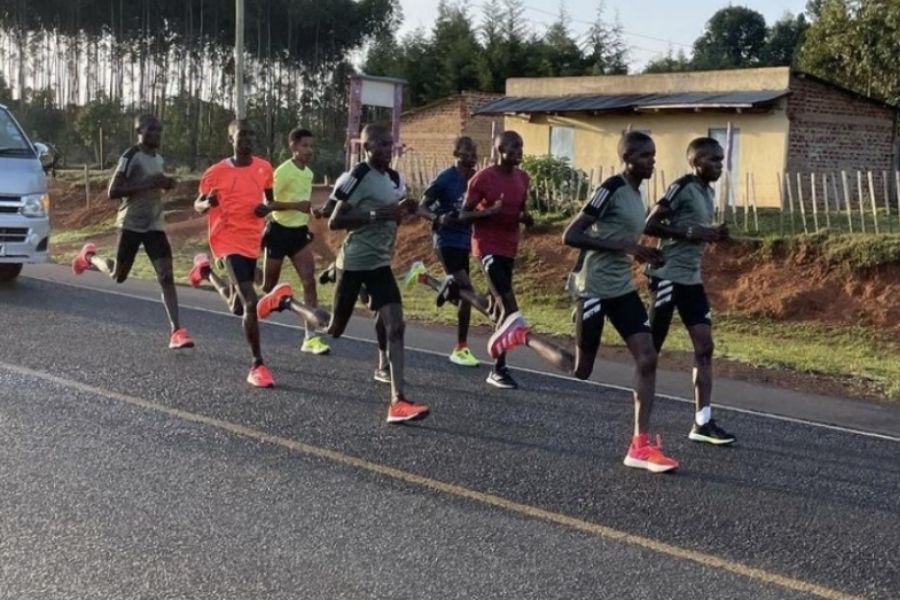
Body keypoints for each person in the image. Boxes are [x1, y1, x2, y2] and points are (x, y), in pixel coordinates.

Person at [562, 131, 678, 473]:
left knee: (647, 356)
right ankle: (522, 336)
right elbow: (571, 235)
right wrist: (626, 247)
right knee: (581, 370)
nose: (652, 161)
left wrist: (644, 254)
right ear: (627, 158)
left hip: (621, 288)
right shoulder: (611, 188)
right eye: (645, 155)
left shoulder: (636, 195)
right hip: (594, 288)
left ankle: (639, 445)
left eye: (654, 154)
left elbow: (623, 239)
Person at [323, 123, 429, 423]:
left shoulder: (391, 178)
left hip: (379, 264)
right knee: (333, 330)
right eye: (380, 145)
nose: (386, 150)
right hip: (354, 262)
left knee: (396, 324)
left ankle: (398, 401)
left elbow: (391, 210)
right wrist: (377, 214)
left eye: (389, 144)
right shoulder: (358, 176)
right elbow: (335, 220)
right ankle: (286, 303)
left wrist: (403, 208)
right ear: (367, 148)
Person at [461, 130, 574, 389]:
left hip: (509, 247)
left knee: (501, 308)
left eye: (521, 147)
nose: (519, 152)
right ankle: (500, 366)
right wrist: (489, 212)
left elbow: (521, 211)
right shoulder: (482, 179)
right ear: (499, 151)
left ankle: (458, 290)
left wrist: (527, 218)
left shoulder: (524, 178)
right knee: (508, 307)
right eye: (513, 148)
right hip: (486, 247)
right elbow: (463, 215)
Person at [71, 113, 193, 350]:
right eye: (151, 130)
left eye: (159, 130)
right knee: (118, 275)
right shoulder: (130, 155)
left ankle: (177, 331)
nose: (156, 134)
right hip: (131, 224)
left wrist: (167, 184)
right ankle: (89, 257)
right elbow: (113, 191)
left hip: (155, 225)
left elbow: (156, 187)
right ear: (139, 131)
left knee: (166, 276)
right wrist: (150, 183)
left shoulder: (159, 158)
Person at [644, 137, 735, 446]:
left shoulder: (708, 192)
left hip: (691, 279)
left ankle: (703, 421)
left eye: (722, 160)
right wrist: (691, 232)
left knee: (705, 346)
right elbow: (650, 224)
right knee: (650, 350)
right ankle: (640, 426)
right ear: (697, 162)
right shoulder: (681, 186)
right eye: (714, 160)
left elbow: (698, 232)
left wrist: (714, 235)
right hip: (667, 275)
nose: (720, 166)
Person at [188, 119, 276, 388]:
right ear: (231, 140)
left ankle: (204, 272)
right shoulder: (215, 172)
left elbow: (269, 199)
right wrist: (206, 203)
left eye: (251, 135)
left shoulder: (264, 168)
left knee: (237, 306)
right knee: (250, 301)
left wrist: (267, 209)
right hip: (226, 240)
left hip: (252, 239)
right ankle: (257, 365)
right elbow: (198, 204)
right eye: (242, 136)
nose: (247, 140)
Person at [261, 127, 330, 356]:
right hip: (279, 231)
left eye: (311, 146)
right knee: (268, 286)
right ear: (293, 146)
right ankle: (237, 269)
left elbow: (303, 202)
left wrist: (312, 210)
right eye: (304, 146)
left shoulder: (308, 173)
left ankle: (310, 338)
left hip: (299, 233)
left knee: (309, 281)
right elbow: (269, 203)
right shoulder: (283, 172)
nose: (309, 150)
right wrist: (296, 206)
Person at [415, 136, 483, 367]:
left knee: (460, 296)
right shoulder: (445, 178)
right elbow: (421, 207)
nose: (472, 157)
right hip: (445, 240)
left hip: (464, 242)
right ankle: (461, 348)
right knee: (468, 291)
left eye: (475, 153)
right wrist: (438, 217)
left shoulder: (476, 180)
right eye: (467, 152)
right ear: (456, 154)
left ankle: (425, 278)